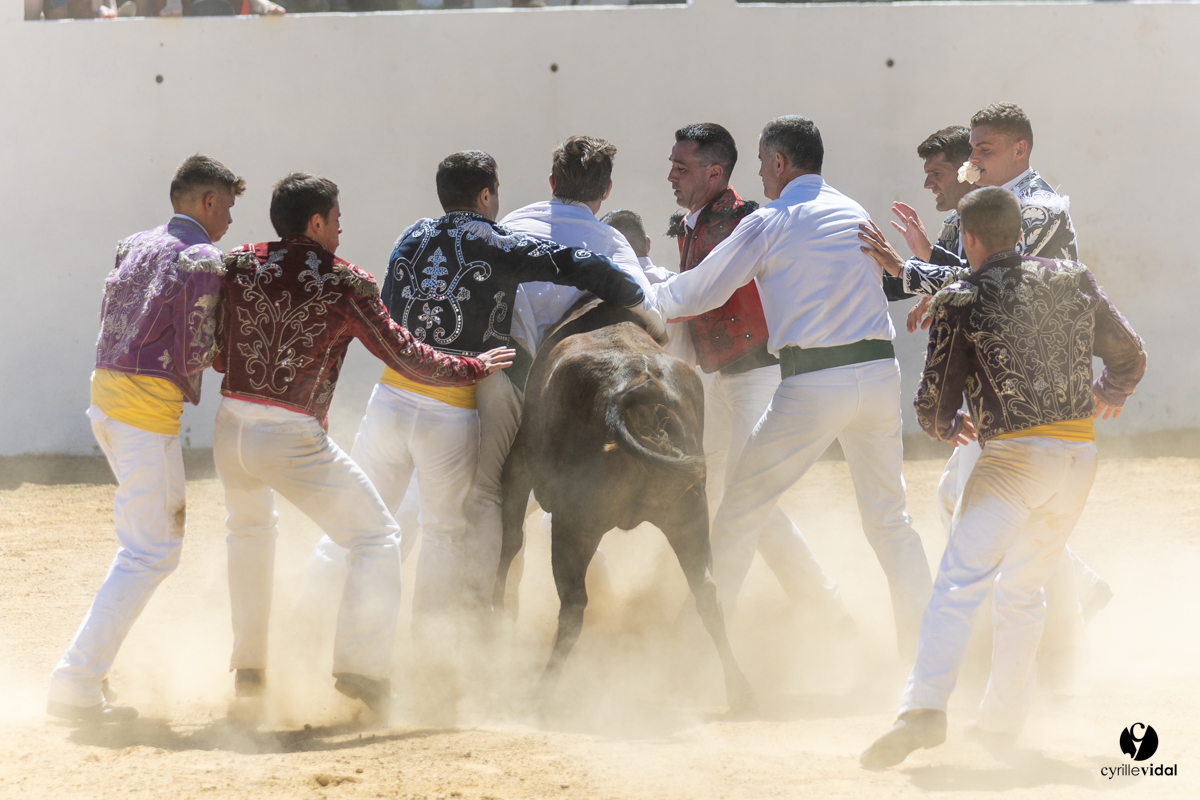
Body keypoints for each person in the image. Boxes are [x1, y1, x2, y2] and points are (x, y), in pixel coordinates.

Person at [306, 149, 658, 640]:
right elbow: (578, 266)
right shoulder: (496, 242)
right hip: (452, 403)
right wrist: (641, 301)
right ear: (486, 194)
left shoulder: (411, 234)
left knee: (365, 517)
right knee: (458, 520)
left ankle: (305, 619)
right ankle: (441, 642)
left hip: (388, 399)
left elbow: (386, 310)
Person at [860, 187, 1146, 768]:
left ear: (967, 238)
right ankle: (1002, 722)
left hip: (1013, 460)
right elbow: (1131, 353)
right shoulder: (1073, 278)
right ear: (1019, 233)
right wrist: (1109, 392)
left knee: (961, 582)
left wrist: (946, 425)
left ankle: (923, 708)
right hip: (1077, 457)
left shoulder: (961, 296)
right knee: (1024, 591)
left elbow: (932, 402)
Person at [213, 172, 510, 720]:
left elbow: (215, 349)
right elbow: (405, 355)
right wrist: (473, 365)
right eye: (338, 220)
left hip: (229, 427)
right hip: (289, 434)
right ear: (316, 222)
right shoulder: (342, 281)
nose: (342, 231)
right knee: (377, 538)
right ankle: (362, 668)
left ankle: (250, 671)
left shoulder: (238, 262)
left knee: (249, 533)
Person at [650, 116, 933, 656]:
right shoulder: (852, 210)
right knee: (890, 522)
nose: (758, 174)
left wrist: (640, 296)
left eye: (761, 163)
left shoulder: (770, 221)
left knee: (739, 512)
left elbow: (697, 293)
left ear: (779, 163)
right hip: (878, 375)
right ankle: (926, 650)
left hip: (811, 384)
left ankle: (694, 652)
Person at [47, 155, 244, 724]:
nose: (229, 219)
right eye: (227, 206)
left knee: (149, 545)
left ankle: (85, 678)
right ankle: (76, 683)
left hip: (107, 398)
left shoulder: (132, 243)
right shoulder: (204, 256)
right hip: (145, 411)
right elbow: (193, 350)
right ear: (207, 202)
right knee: (151, 551)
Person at [444, 138, 665, 617]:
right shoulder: (611, 242)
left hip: (510, 382)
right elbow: (646, 306)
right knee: (577, 506)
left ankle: (491, 621)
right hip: (580, 397)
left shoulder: (510, 225)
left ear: (550, 182)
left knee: (496, 505)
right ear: (605, 191)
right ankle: (598, 606)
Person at [664, 122, 850, 623]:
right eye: (672, 166)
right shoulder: (699, 221)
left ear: (715, 172)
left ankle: (820, 614)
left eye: (681, 168)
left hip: (759, 377)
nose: (671, 177)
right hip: (723, 380)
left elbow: (702, 295)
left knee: (751, 500)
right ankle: (822, 615)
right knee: (719, 491)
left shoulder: (746, 219)